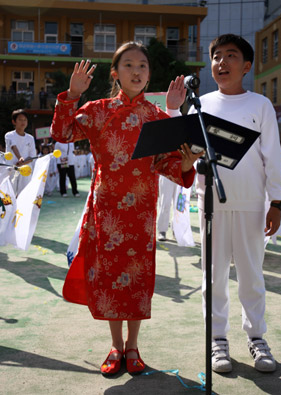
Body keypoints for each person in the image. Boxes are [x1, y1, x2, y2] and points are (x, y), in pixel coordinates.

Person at [50, 41, 201, 375]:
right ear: (116, 74)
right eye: (129, 65)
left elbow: (169, 166)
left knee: (137, 280)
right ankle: (116, 346)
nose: (137, 71)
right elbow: (61, 133)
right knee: (110, 280)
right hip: (107, 212)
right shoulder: (98, 109)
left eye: (143, 66)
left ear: (149, 75)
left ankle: (133, 346)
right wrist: (71, 95)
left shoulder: (157, 117)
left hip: (142, 214)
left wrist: (187, 164)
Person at [171, 34, 281, 373]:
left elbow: (272, 158)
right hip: (211, 207)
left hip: (252, 204)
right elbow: (187, 154)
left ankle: (256, 337)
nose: (222, 62)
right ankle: (217, 339)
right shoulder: (200, 105)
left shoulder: (260, 105)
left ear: (246, 66)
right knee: (214, 275)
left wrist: (276, 202)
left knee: (251, 276)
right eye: (217, 56)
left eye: (231, 56)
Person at [4, 109, 36, 196]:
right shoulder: (9, 135)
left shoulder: (30, 138)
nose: (23, 122)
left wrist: (23, 162)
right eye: (20, 120)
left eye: (25, 120)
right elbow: (14, 147)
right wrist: (20, 158)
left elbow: (32, 156)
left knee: (24, 195)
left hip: (25, 170)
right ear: (14, 122)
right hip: (12, 169)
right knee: (10, 195)